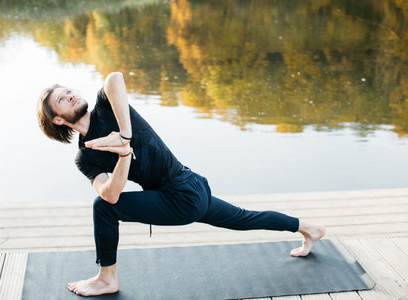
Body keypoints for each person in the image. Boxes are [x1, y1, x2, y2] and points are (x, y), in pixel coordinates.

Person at [37, 72, 326, 297]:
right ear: (59, 119)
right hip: (181, 193)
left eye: (68, 91)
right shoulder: (85, 157)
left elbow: (114, 79)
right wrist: (123, 154)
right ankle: (309, 229)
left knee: (244, 218)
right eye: (61, 99)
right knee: (105, 206)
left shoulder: (108, 108)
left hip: (186, 191)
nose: (70, 95)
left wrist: (124, 136)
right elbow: (110, 194)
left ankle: (106, 278)